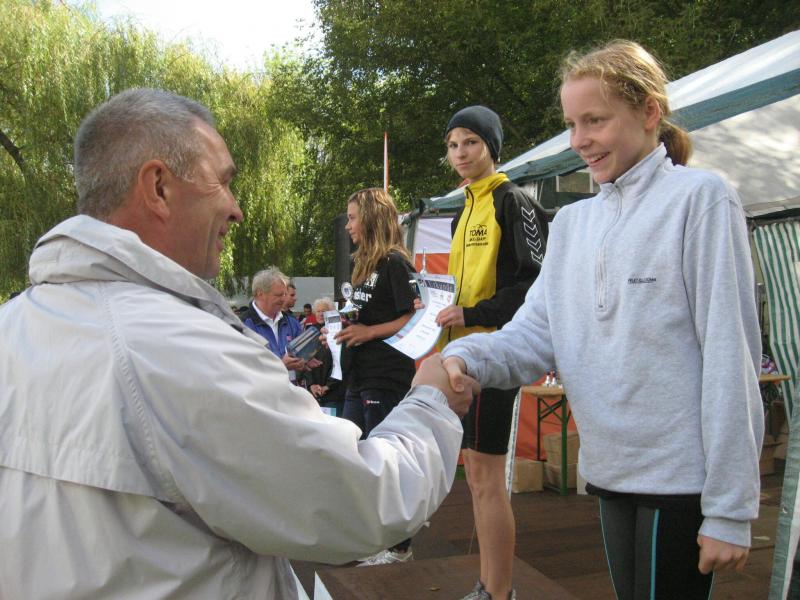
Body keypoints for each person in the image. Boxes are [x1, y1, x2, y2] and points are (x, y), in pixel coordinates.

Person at [0, 88, 479, 599]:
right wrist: (431, 404)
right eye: (223, 182)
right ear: (158, 187)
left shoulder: (13, 327)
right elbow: (363, 502)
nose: (237, 210)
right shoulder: (183, 348)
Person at [442, 40, 763, 600]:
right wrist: (467, 355)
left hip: (682, 479)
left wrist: (731, 509)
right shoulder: (572, 223)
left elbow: (730, 357)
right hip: (610, 473)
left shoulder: (700, 199)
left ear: (649, 112)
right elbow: (535, 333)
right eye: (572, 124)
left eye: (595, 120)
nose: (579, 140)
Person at [435, 105, 548, 600]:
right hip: (461, 357)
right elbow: (460, 289)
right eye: (453, 145)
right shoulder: (462, 209)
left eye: (471, 142)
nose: (460, 153)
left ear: (492, 147)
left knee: (486, 478)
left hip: (497, 357)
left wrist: (472, 313)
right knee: (477, 477)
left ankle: (498, 591)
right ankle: (490, 585)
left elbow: (533, 287)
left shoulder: (513, 201)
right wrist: (437, 308)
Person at [334, 187, 419, 565]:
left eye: (353, 218)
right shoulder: (365, 266)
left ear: (371, 219)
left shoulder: (395, 263)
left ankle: (399, 546)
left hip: (385, 375)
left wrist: (368, 332)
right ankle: (370, 536)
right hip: (358, 375)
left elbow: (414, 315)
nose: (348, 226)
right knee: (354, 456)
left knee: (385, 460)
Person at [240, 267, 307, 383]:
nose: (283, 299)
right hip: (261, 392)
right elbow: (240, 369)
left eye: (285, 294)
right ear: (260, 294)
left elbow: (301, 353)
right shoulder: (242, 325)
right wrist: (281, 365)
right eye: (278, 295)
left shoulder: (291, 321)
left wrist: (305, 360)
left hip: (290, 390)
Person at [302, 297, 345, 416]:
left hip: (334, 391)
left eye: (324, 311)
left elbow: (341, 361)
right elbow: (303, 361)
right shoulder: (309, 332)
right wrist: (311, 384)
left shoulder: (338, 331)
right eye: (318, 311)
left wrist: (328, 386)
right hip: (313, 392)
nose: (321, 314)